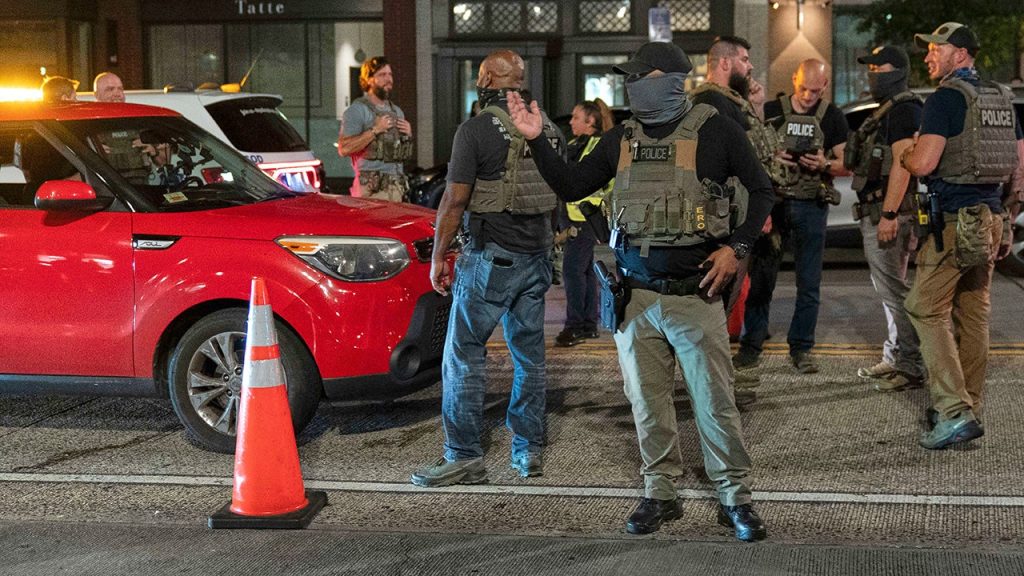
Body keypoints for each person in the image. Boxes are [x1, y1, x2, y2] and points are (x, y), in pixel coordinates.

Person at [508, 41, 773, 541]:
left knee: (714, 401)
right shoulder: (621, 139)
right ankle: (660, 493)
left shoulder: (716, 130)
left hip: (696, 295)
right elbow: (570, 184)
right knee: (647, 403)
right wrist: (538, 140)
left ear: (667, 80)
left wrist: (736, 248)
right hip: (636, 298)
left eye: (637, 76)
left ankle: (734, 496)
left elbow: (761, 189)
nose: (630, 86)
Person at [411, 49, 565, 487]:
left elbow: (454, 200)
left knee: (462, 354)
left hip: (492, 258)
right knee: (529, 356)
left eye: (481, 74)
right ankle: (528, 448)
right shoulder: (548, 129)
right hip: (536, 258)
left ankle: (463, 455)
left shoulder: (476, 130)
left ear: (491, 80)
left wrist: (440, 255)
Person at [901, 23, 1024, 449]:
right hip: (990, 216)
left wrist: (907, 152)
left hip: (955, 219)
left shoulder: (946, 98)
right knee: (973, 313)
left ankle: (953, 411)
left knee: (923, 307)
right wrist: (1007, 217)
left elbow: (923, 163)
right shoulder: (1000, 99)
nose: (929, 56)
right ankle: (970, 404)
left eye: (936, 49)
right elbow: (1018, 165)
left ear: (961, 54)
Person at [733, 59, 850, 375]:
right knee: (762, 279)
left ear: (825, 86)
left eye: (816, 90)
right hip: (777, 204)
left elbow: (847, 163)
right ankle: (751, 346)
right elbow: (750, 153)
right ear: (794, 78)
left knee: (809, 283)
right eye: (804, 89)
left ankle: (802, 348)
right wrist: (773, 155)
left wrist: (824, 163)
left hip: (812, 204)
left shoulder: (832, 116)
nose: (809, 96)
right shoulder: (773, 109)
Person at [690, 35, 783, 396]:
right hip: (726, 218)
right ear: (725, 63)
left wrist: (755, 105)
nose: (750, 66)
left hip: (736, 213)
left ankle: (714, 375)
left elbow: (760, 152)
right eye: (744, 59)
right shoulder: (713, 102)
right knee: (717, 302)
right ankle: (710, 381)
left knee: (721, 303)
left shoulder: (728, 102)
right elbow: (753, 155)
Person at [844, 46, 926, 392]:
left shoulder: (904, 110)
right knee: (889, 290)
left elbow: (903, 166)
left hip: (889, 211)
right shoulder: (890, 109)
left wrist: (889, 214)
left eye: (879, 67)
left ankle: (910, 365)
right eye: (870, 66)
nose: (872, 72)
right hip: (881, 210)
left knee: (894, 291)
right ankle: (895, 356)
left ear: (898, 71)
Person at [554, 98, 614, 347]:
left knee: (572, 271)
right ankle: (588, 324)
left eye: (576, 117)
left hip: (585, 217)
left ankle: (575, 326)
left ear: (590, 121)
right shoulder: (578, 144)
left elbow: (586, 179)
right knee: (585, 271)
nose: (571, 121)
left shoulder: (596, 146)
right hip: (578, 215)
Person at [337, 56, 413, 202]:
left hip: (397, 189)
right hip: (371, 192)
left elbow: (401, 155)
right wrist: (375, 130)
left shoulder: (397, 111)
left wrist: (408, 135)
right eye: (382, 75)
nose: (388, 79)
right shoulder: (357, 110)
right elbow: (344, 148)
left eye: (390, 74)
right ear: (369, 79)